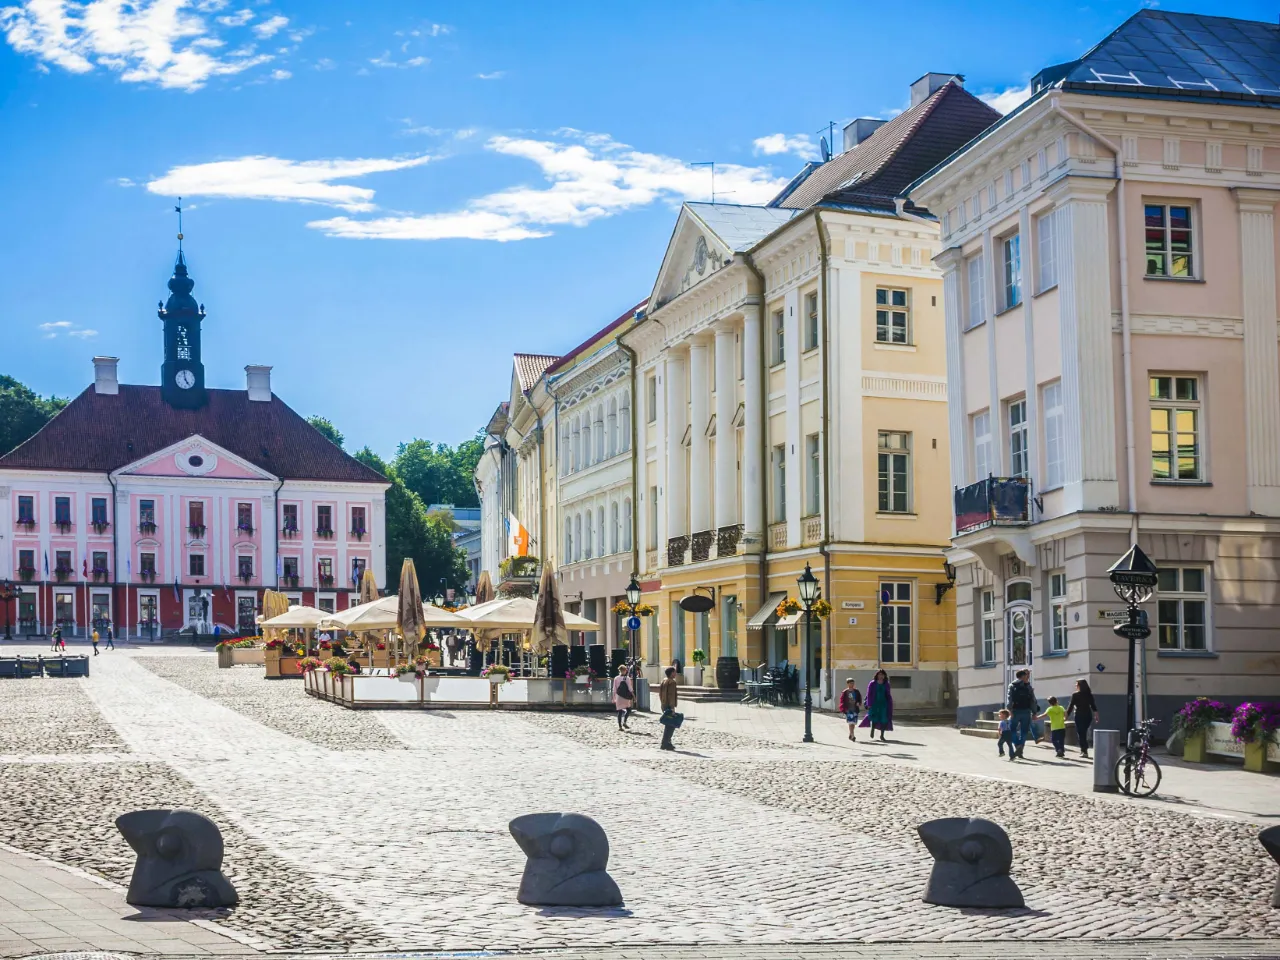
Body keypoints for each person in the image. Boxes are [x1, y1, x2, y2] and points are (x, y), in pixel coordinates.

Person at [1006, 669, 1039, 759]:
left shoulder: (1012, 685)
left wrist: (1010, 710)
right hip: (1026, 711)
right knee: (1024, 731)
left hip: (1015, 711)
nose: (1027, 677)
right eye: (1026, 675)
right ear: (1022, 676)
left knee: (1012, 730)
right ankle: (1020, 749)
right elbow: (1033, 700)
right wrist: (1034, 712)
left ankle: (1017, 746)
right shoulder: (1028, 686)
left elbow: (1009, 698)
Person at [1066, 677, 1099, 759]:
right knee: (1083, 732)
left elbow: (1070, 706)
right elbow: (1093, 705)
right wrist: (1096, 715)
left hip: (1079, 715)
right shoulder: (1089, 694)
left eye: (1076, 684)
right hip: (1088, 716)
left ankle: (1084, 750)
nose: (1075, 685)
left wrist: (1066, 716)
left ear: (1080, 685)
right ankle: (1084, 749)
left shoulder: (1075, 695)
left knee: (1081, 733)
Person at [859, 670, 893, 741]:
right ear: (877, 675)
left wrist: (890, 704)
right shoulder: (872, 683)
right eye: (879, 674)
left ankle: (882, 735)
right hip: (874, 703)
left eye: (882, 675)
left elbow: (888, 694)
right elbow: (869, 694)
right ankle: (873, 729)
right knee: (874, 717)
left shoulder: (886, 684)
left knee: (884, 719)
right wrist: (869, 704)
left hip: (884, 704)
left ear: (884, 676)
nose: (881, 676)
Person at [658, 666, 679, 751]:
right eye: (674, 672)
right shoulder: (672, 682)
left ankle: (667, 742)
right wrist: (672, 708)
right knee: (671, 725)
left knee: (668, 724)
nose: (676, 673)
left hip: (664, 704)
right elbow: (671, 695)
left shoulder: (664, 681)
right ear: (671, 673)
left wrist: (662, 703)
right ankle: (665, 743)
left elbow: (660, 693)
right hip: (669, 706)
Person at [838, 677, 862, 742]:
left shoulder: (856, 691)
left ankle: (851, 733)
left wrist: (859, 703)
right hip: (848, 710)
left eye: (853, 683)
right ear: (848, 684)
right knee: (850, 722)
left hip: (855, 709)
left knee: (853, 723)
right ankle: (853, 735)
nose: (852, 684)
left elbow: (859, 698)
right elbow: (842, 701)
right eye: (851, 683)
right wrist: (843, 708)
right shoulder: (845, 692)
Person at [612, 665, 635, 731]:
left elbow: (614, 689)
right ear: (625, 670)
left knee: (619, 711)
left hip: (619, 696)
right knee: (628, 709)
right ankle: (624, 722)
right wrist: (634, 696)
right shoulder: (627, 678)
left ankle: (620, 726)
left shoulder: (616, 678)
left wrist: (613, 697)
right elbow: (630, 688)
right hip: (625, 697)